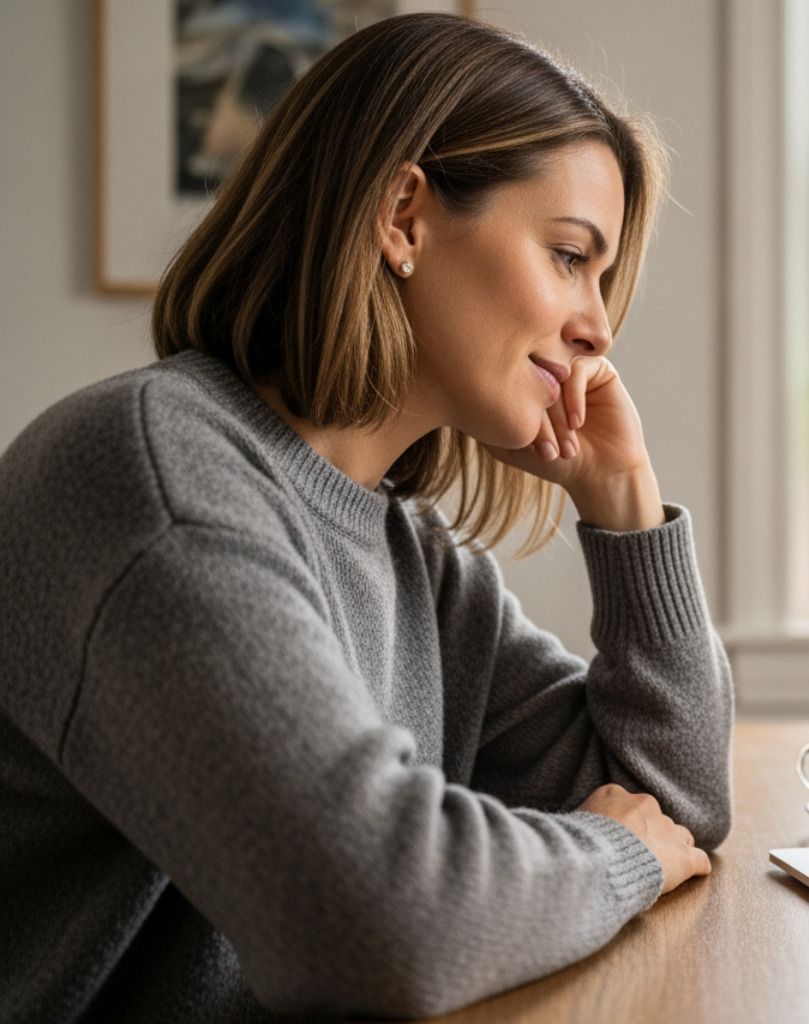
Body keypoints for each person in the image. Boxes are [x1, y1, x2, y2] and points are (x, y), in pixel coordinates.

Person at [0, 14, 731, 1022]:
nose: (599, 325)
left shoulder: (406, 550)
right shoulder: (157, 484)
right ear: (403, 216)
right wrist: (612, 855)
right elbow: (381, 930)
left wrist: (625, 503)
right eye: (569, 254)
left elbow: (675, 803)